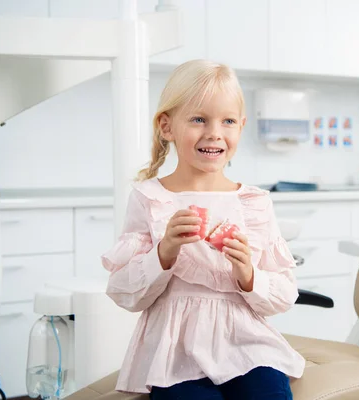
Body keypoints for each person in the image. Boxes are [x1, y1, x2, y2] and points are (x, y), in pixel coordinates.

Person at [101, 59, 305, 400]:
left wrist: (248, 273)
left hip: (246, 344)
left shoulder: (253, 202)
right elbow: (124, 292)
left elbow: (283, 295)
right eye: (199, 119)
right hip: (173, 350)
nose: (214, 132)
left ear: (240, 127)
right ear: (167, 126)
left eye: (227, 121)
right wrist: (163, 252)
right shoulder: (151, 199)